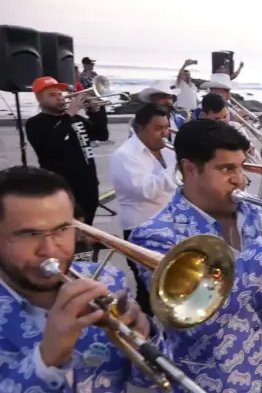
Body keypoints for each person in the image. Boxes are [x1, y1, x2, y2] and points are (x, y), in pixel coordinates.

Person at [130, 119, 262, 392]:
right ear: (189, 169)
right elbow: (198, 321)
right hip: (214, 379)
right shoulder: (155, 237)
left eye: (241, 167)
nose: (241, 179)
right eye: (226, 169)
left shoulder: (256, 215)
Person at [0, 166, 161, 392]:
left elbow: (151, 382)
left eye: (62, 229)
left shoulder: (108, 278)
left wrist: (144, 337)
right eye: (29, 234)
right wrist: (46, 360)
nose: (50, 250)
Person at [109, 104, 176, 315]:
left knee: (170, 287)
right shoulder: (124, 156)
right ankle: (142, 332)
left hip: (169, 226)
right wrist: (178, 168)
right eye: (158, 128)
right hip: (140, 230)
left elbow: (176, 186)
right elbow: (146, 190)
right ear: (139, 128)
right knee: (148, 289)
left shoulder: (167, 150)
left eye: (166, 127)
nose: (165, 134)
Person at [25, 76, 109, 225]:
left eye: (60, 94)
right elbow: (52, 144)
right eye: (52, 95)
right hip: (61, 188)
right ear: (39, 99)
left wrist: (97, 112)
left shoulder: (76, 119)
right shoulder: (35, 124)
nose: (60, 98)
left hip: (88, 185)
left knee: (87, 230)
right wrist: (69, 114)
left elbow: (101, 135)